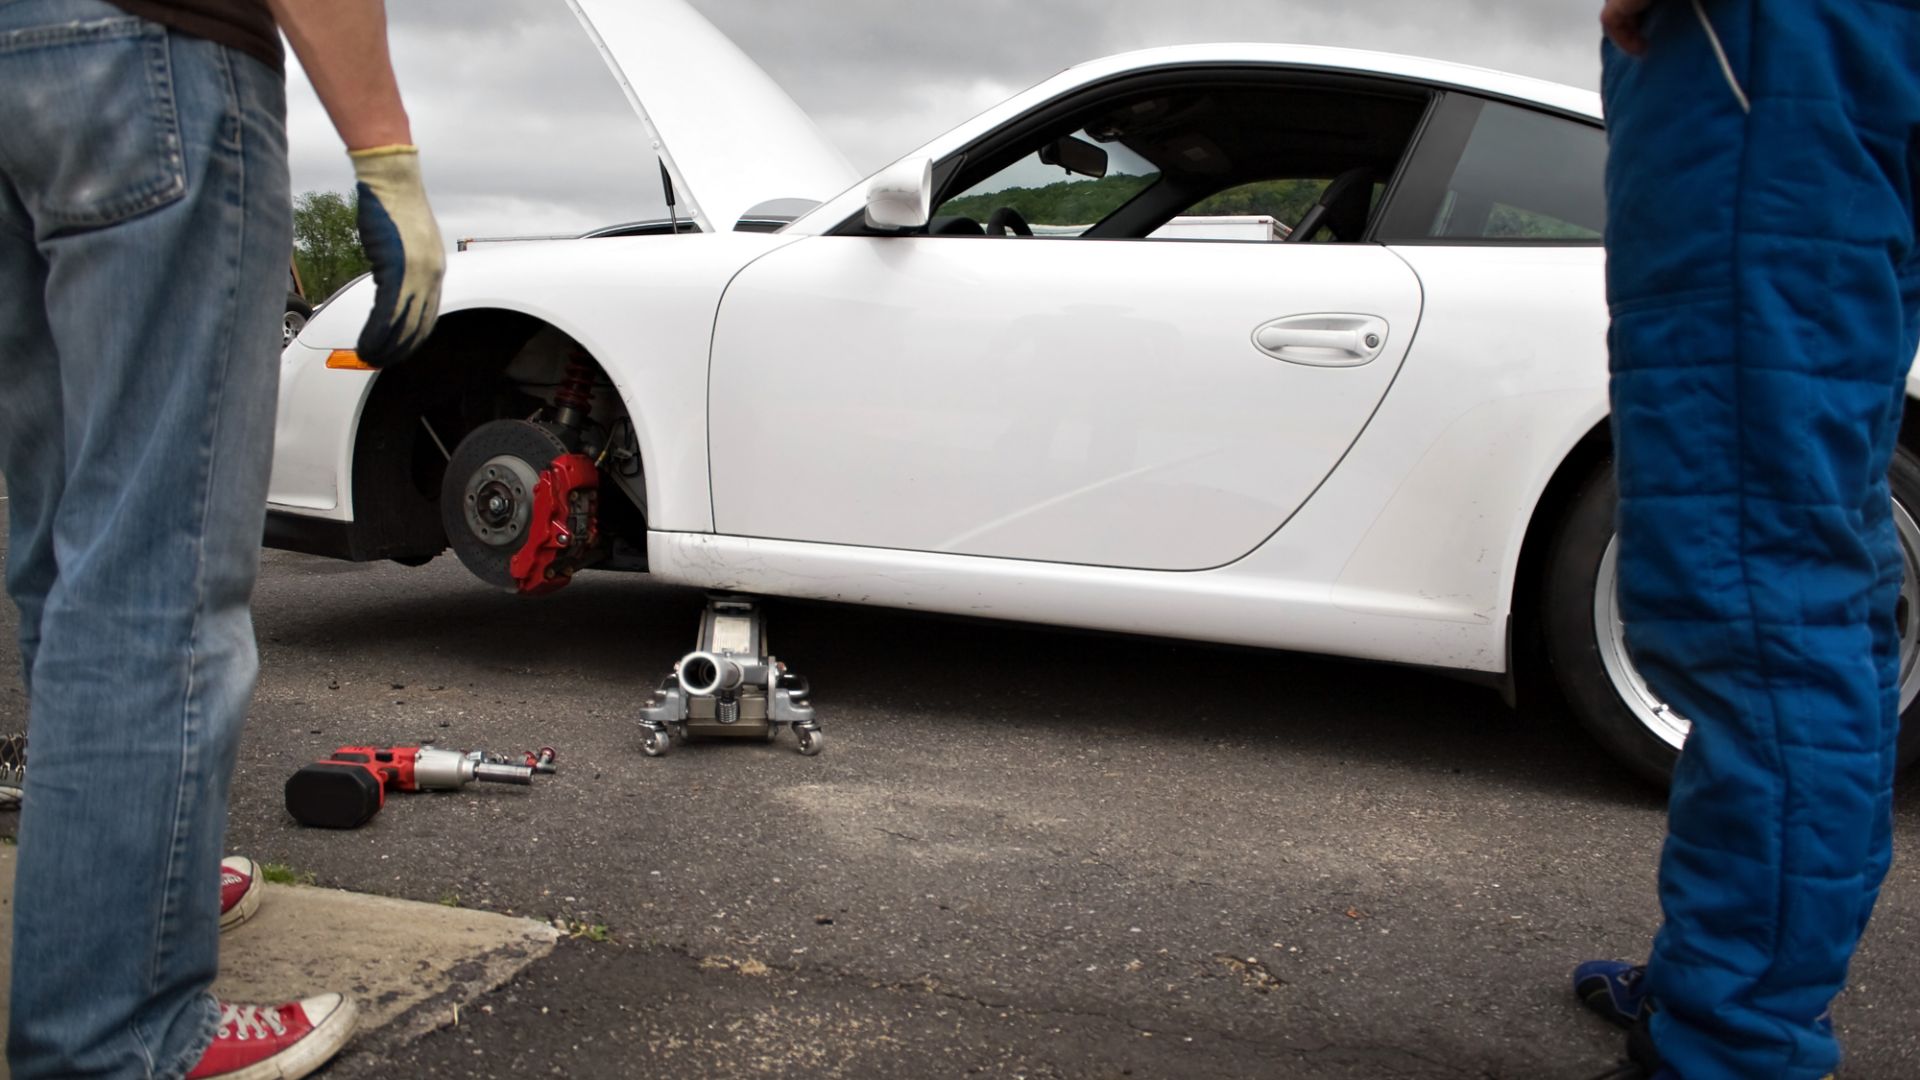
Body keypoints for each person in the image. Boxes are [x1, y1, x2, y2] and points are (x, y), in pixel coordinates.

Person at [0, 0, 443, 1075]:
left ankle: (129, 895)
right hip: (142, 55)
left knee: (60, 549)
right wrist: (385, 156)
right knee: (153, 573)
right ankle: (117, 1037)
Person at [1572, 1, 1920, 1077]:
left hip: (1763, 55)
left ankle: (1734, 1045)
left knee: (1754, 597)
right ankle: (1725, 986)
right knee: (1813, 571)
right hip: (1808, 61)